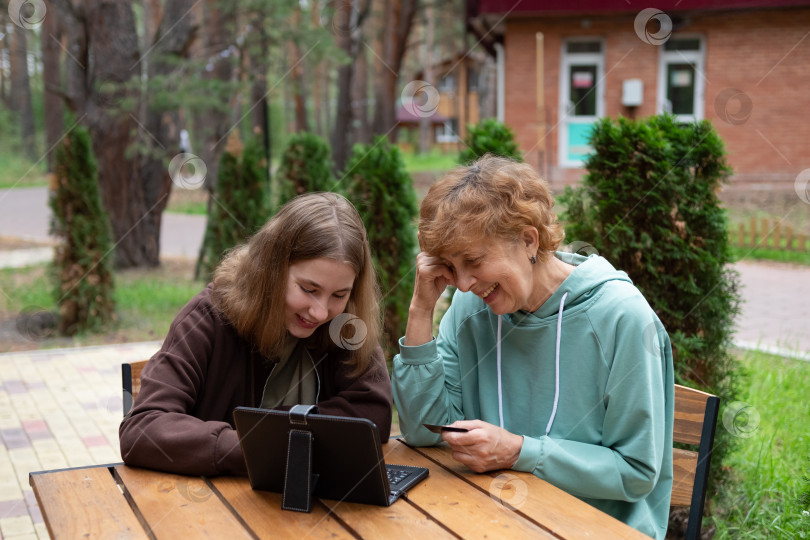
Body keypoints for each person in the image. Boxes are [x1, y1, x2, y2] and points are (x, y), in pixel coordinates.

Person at [392, 155, 674, 539]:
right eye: (451, 267)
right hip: (491, 519)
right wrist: (421, 309)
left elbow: (637, 472)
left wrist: (518, 451)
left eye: (473, 261)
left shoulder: (621, 318)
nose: (462, 283)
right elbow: (424, 432)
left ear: (528, 239)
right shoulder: (469, 307)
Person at [120, 192, 392, 476]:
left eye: (339, 294)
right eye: (309, 290)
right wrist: (262, 445)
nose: (321, 312)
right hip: (211, 509)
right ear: (271, 269)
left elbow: (373, 416)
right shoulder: (207, 317)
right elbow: (143, 430)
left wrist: (275, 432)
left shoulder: (344, 322)